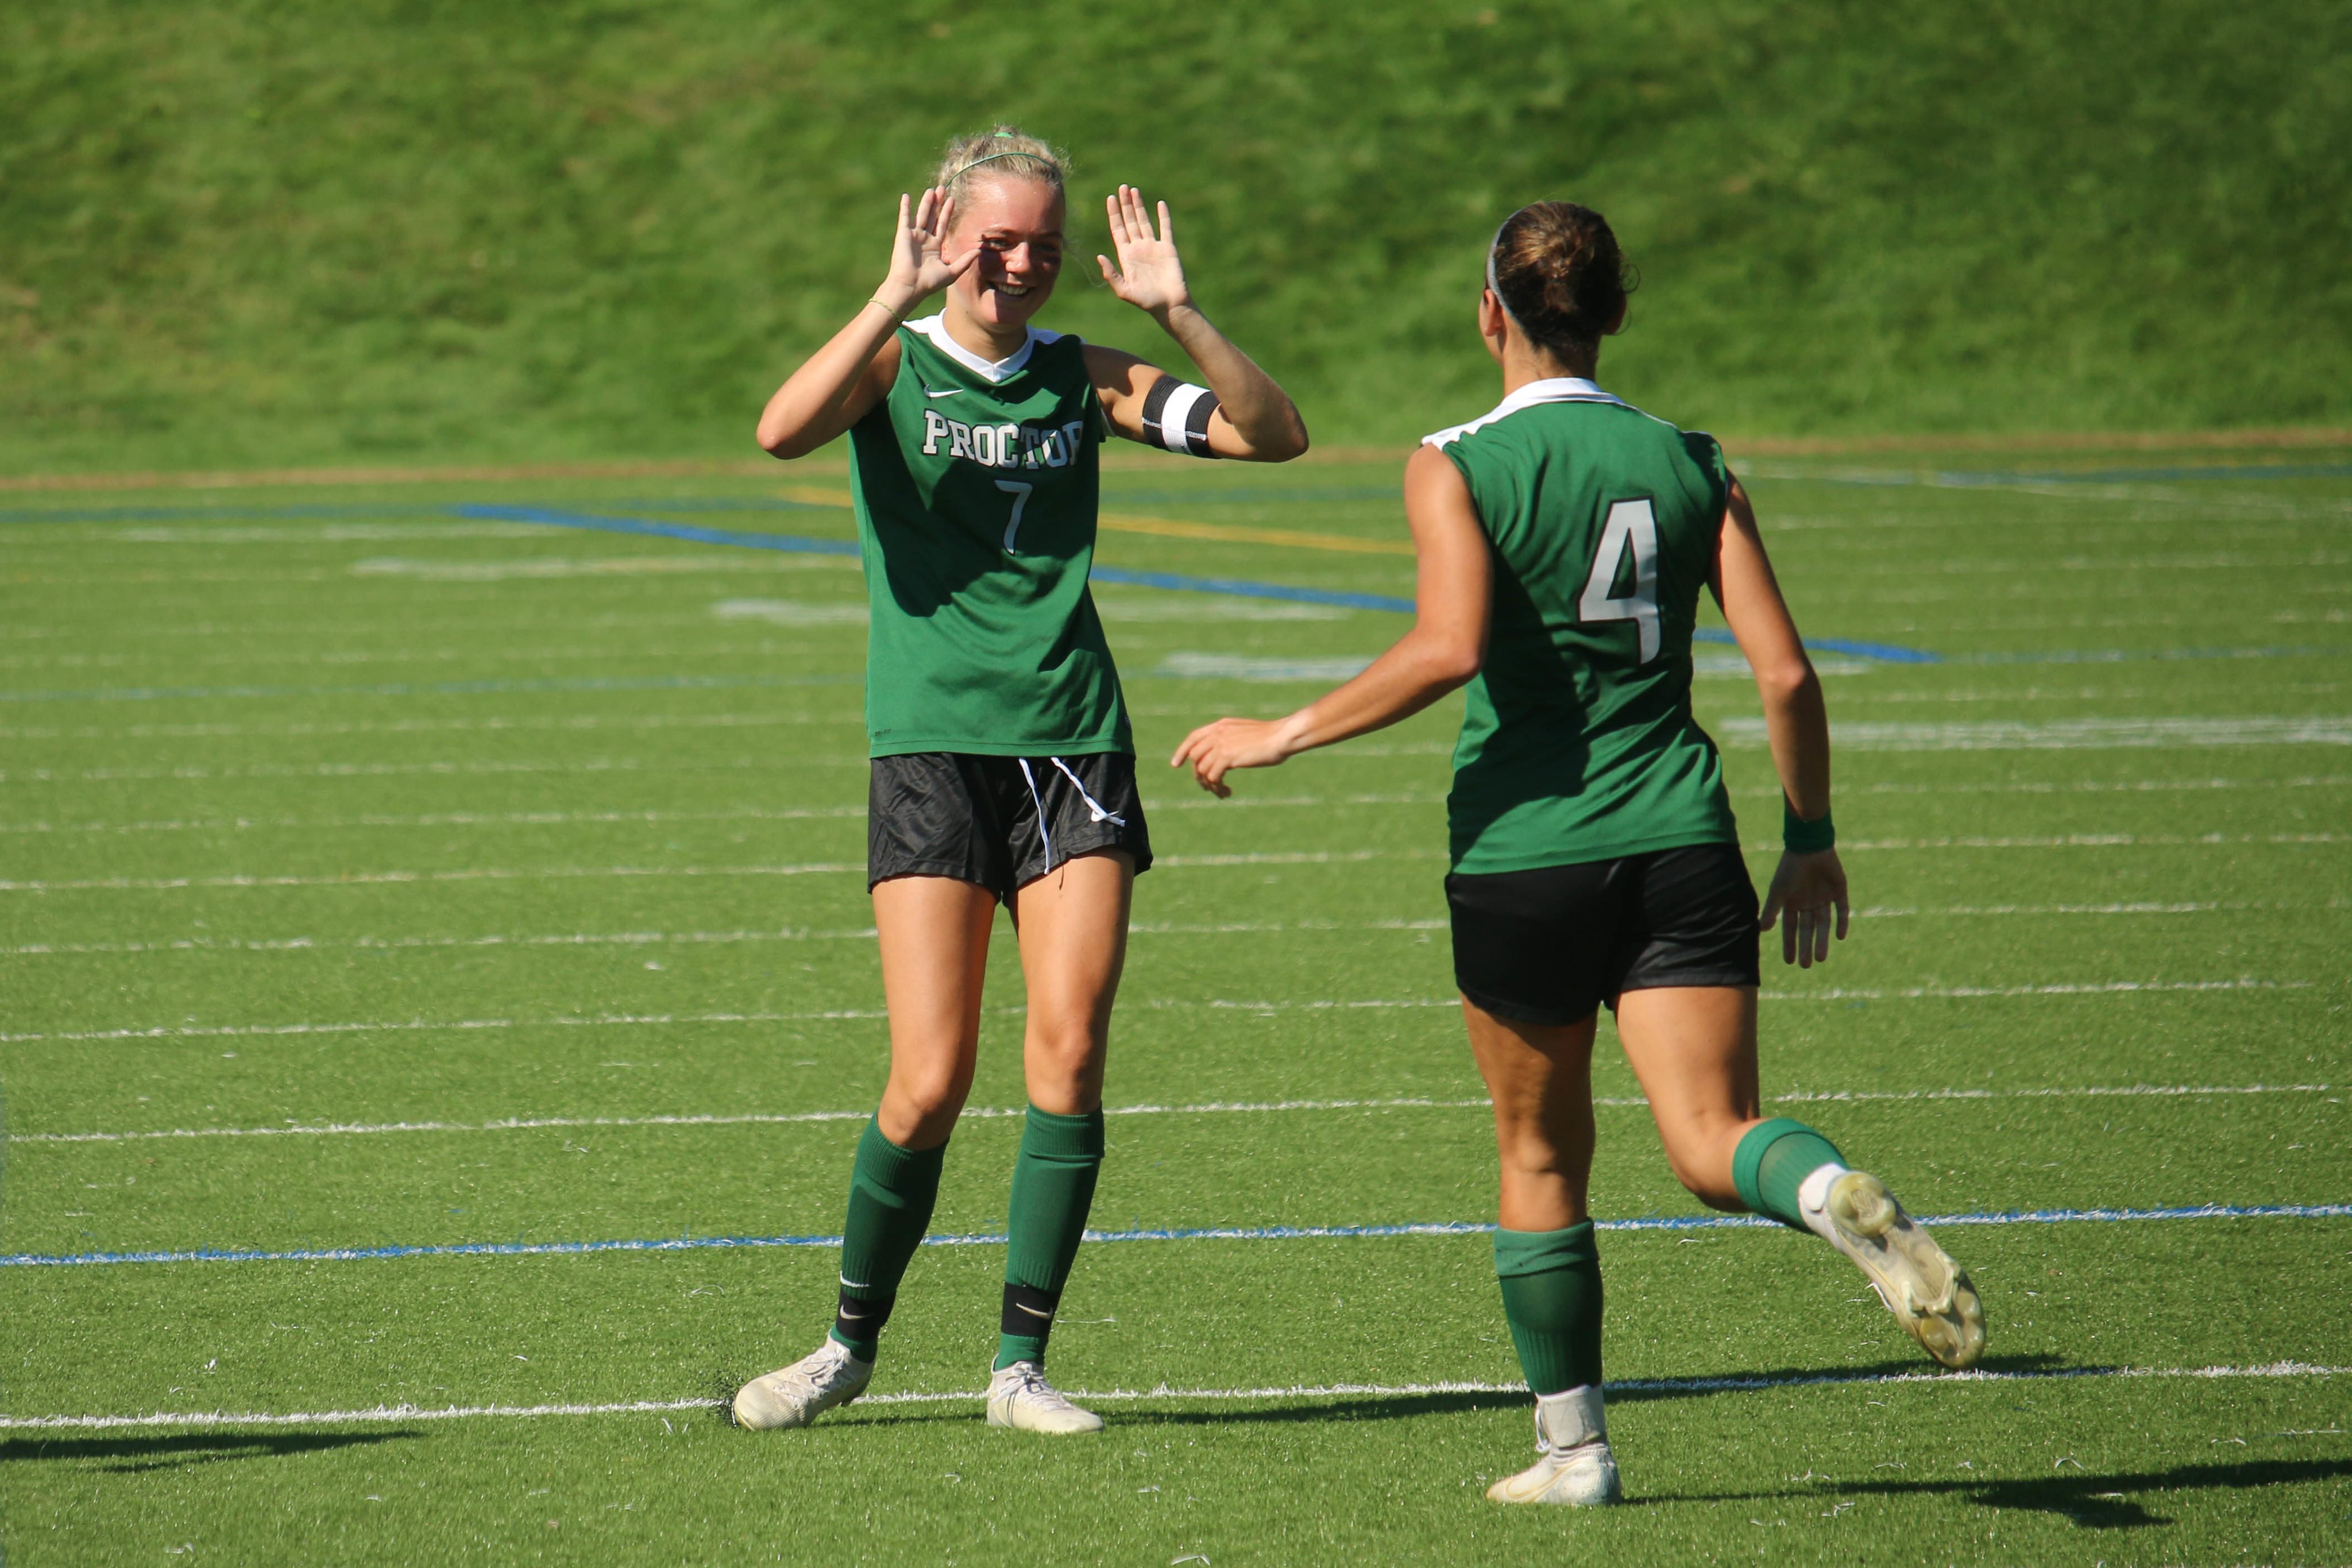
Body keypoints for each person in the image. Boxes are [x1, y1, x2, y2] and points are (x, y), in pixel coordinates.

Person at [1169, 201, 1982, 1503]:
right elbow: (1781, 672)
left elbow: (1443, 648)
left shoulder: (1452, 461)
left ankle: (1575, 1452)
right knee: (1713, 1140)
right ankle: (1822, 1185)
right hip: (1681, 840)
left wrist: (1281, 730)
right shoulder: (1692, 459)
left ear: (1489, 311)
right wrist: (1812, 840)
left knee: (1540, 1158)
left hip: (1524, 854)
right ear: (1611, 315)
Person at [733, 127, 1308, 1436]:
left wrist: (1181, 314)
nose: (1021, 264)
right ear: (944, 233)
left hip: (1071, 742)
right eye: (996, 240)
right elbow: (776, 433)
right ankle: (845, 1345)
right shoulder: (895, 363)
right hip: (931, 746)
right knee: (928, 1082)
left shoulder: (1081, 378)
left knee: (1070, 1052)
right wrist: (887, 295)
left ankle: (1016, 1368)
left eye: (1042, 245)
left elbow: (1270, 435)